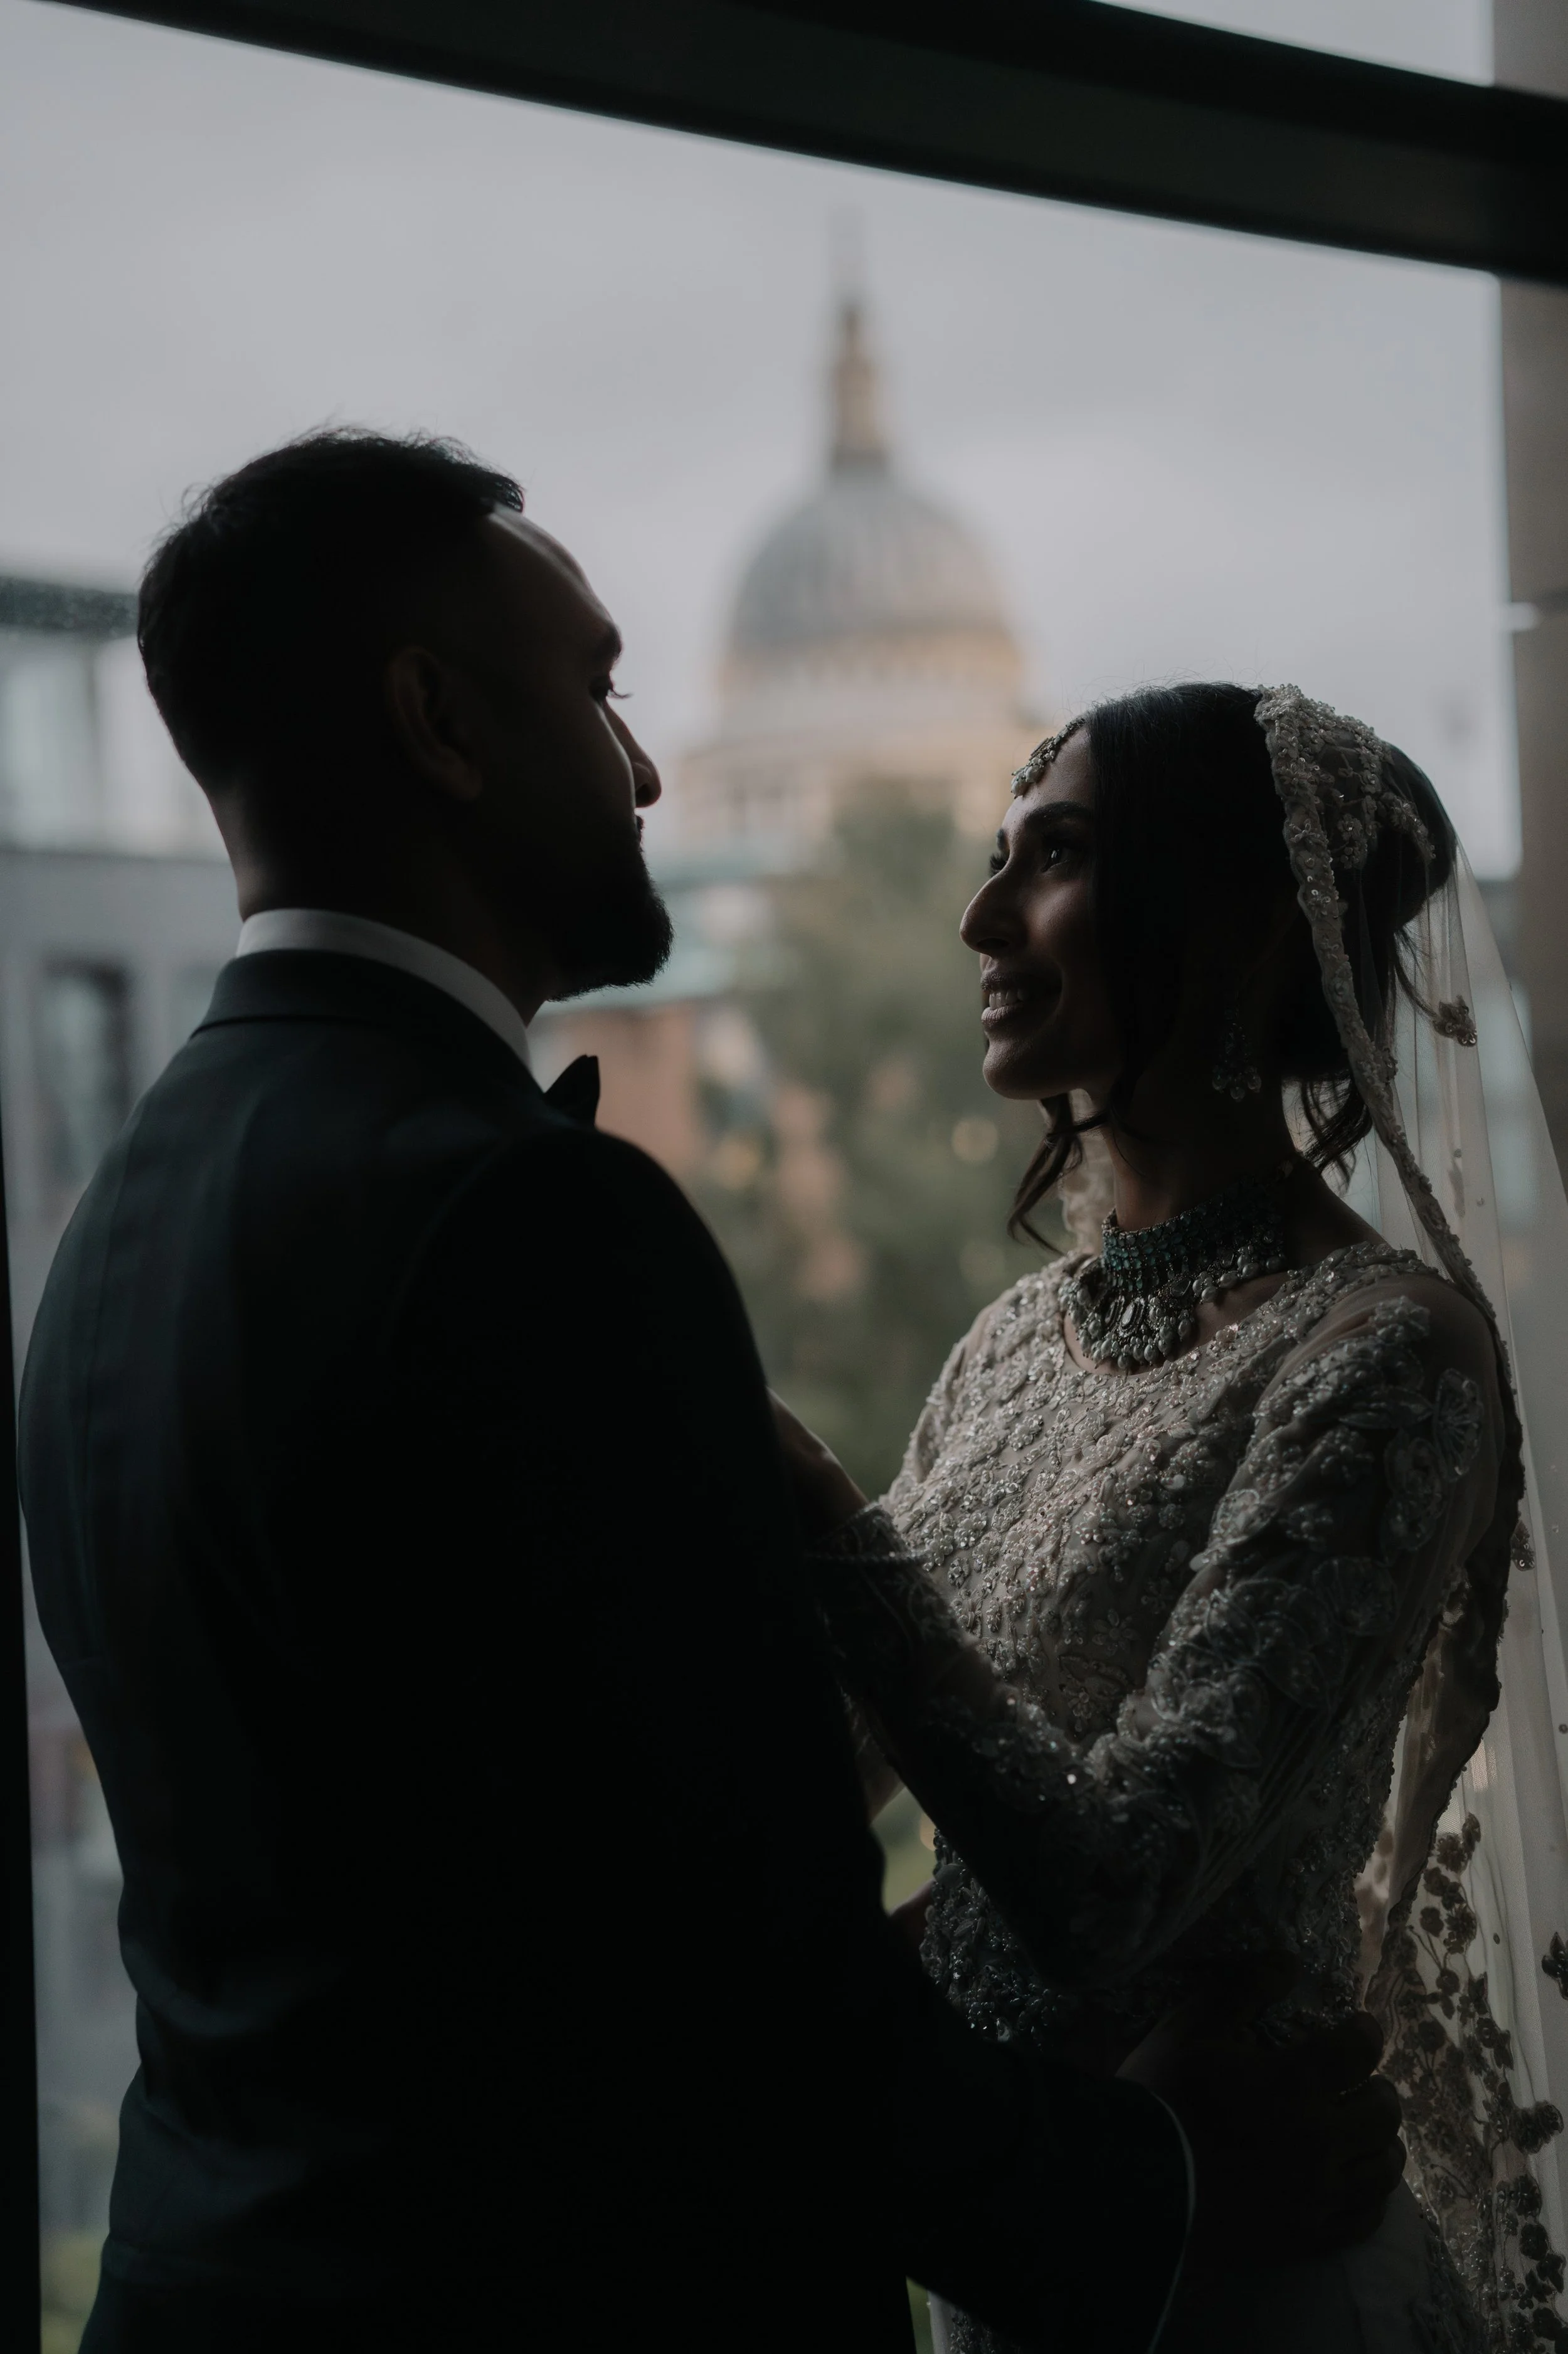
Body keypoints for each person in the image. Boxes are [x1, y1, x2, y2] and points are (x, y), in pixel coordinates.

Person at [20, 438, 1401, 2354]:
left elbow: (492, 1878)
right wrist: (1141, 2180)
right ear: (437, 721)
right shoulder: (525, 1213)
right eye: (594, 690)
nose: (649, 767)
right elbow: (728, 1955)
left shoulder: (116, 1226)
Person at [772, 682, 1568, 2353]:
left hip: (1246, 2283)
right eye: (995, 859)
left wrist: (828, 1533)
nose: (981, 917)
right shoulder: (1011, 1342)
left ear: (1245, 932)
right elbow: (830, 1773)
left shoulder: (1384, 1356)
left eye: (1049, 857)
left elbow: (1116, 1884)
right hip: (1041, 2229)